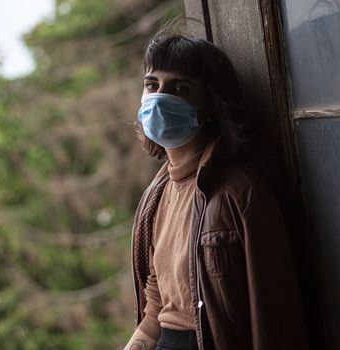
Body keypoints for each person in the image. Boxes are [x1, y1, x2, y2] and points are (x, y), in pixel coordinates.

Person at [124, 33, 308, 350]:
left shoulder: (240, 195)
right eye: (152, 85)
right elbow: (157, 302)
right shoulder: (156, 195)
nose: (160, 98)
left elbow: (275, 318)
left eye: (180, 88)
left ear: (209, 104)